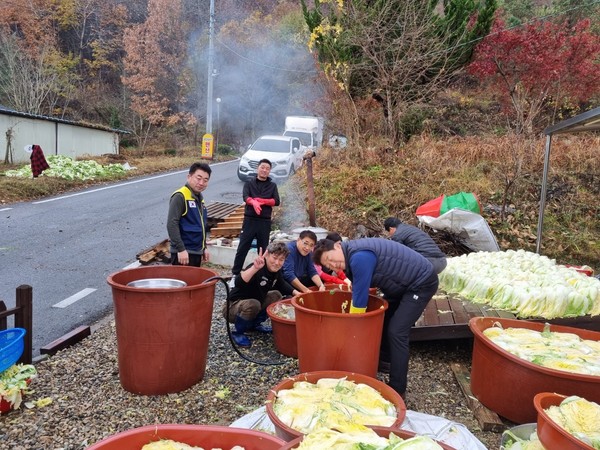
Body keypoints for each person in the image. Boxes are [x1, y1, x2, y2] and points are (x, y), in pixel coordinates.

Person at [313, 237, 439, 399]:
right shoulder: (352, 254)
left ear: (338, 246)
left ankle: (397, 388)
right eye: (328, 265)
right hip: (401, 286)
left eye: (330, 259)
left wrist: (349, 332)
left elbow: (359, 301)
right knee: (386, 318)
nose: (333, 265)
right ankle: (385, 360)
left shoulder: (359, 257)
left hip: (421, 282)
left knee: (397, 332)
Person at [223, 241, 301, 347]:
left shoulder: (276, 271)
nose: (277, 262)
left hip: (254, 303)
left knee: (276, 295)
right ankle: (238, 332)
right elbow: (238, 282)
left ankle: (254, 325)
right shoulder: (257, 266)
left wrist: (298, 294)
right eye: (274, 258)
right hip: (232, 307)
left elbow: (282, 284)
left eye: (281, 259)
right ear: (267, 255)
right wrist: (254, 268)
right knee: (253, 304)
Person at [231, 159, 280, 282]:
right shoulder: (249, 183)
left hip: (264, 222)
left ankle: (261, 274)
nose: (264, 170)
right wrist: (253, 202)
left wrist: (263, 201)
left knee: (263, 249)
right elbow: (245, 196)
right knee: (243, 247)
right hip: (250, 220)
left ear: (269, 171)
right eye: (262, 167)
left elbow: (276, 201)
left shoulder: (272, 185)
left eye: (267, 168)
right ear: (258, 168)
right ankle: (235, 274)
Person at [167, 162, 212, 267]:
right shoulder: (180, 196)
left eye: (205, 180)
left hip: (195, 251)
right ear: (189, 177)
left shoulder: (199, 198)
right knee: (183, 283)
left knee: (193, 282)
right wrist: (181, 249)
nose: (201, 183)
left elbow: (201, 225)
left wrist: (203, 248)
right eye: (198, 178)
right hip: (183, 254)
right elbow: (172, 224)